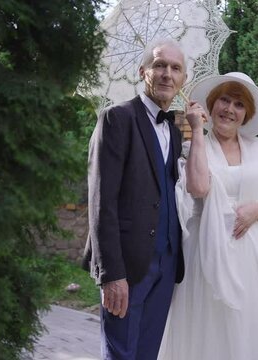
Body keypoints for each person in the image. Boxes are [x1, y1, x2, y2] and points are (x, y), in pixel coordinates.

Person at [158, 72, 258, 359]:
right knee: (210, 337)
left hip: (255, 264)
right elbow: (199, 187)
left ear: (247, 114)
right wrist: (196, 133)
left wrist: (257, 210)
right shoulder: (194, 147)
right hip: (207, 260)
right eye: (225, 100)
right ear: (212, 104)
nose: (230, 109)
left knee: (253, 337)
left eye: (239, 104)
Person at [81, 38, 194, 360]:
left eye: (175, 68)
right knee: (120, 354)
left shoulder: (173, 131)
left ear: (184, 79)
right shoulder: (117, 118)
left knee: (147, 354)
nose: (166, 74)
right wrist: (112, 274)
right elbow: (102, 201)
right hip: (128, 265)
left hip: (168, 263)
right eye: (159, 65)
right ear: (143, 71)